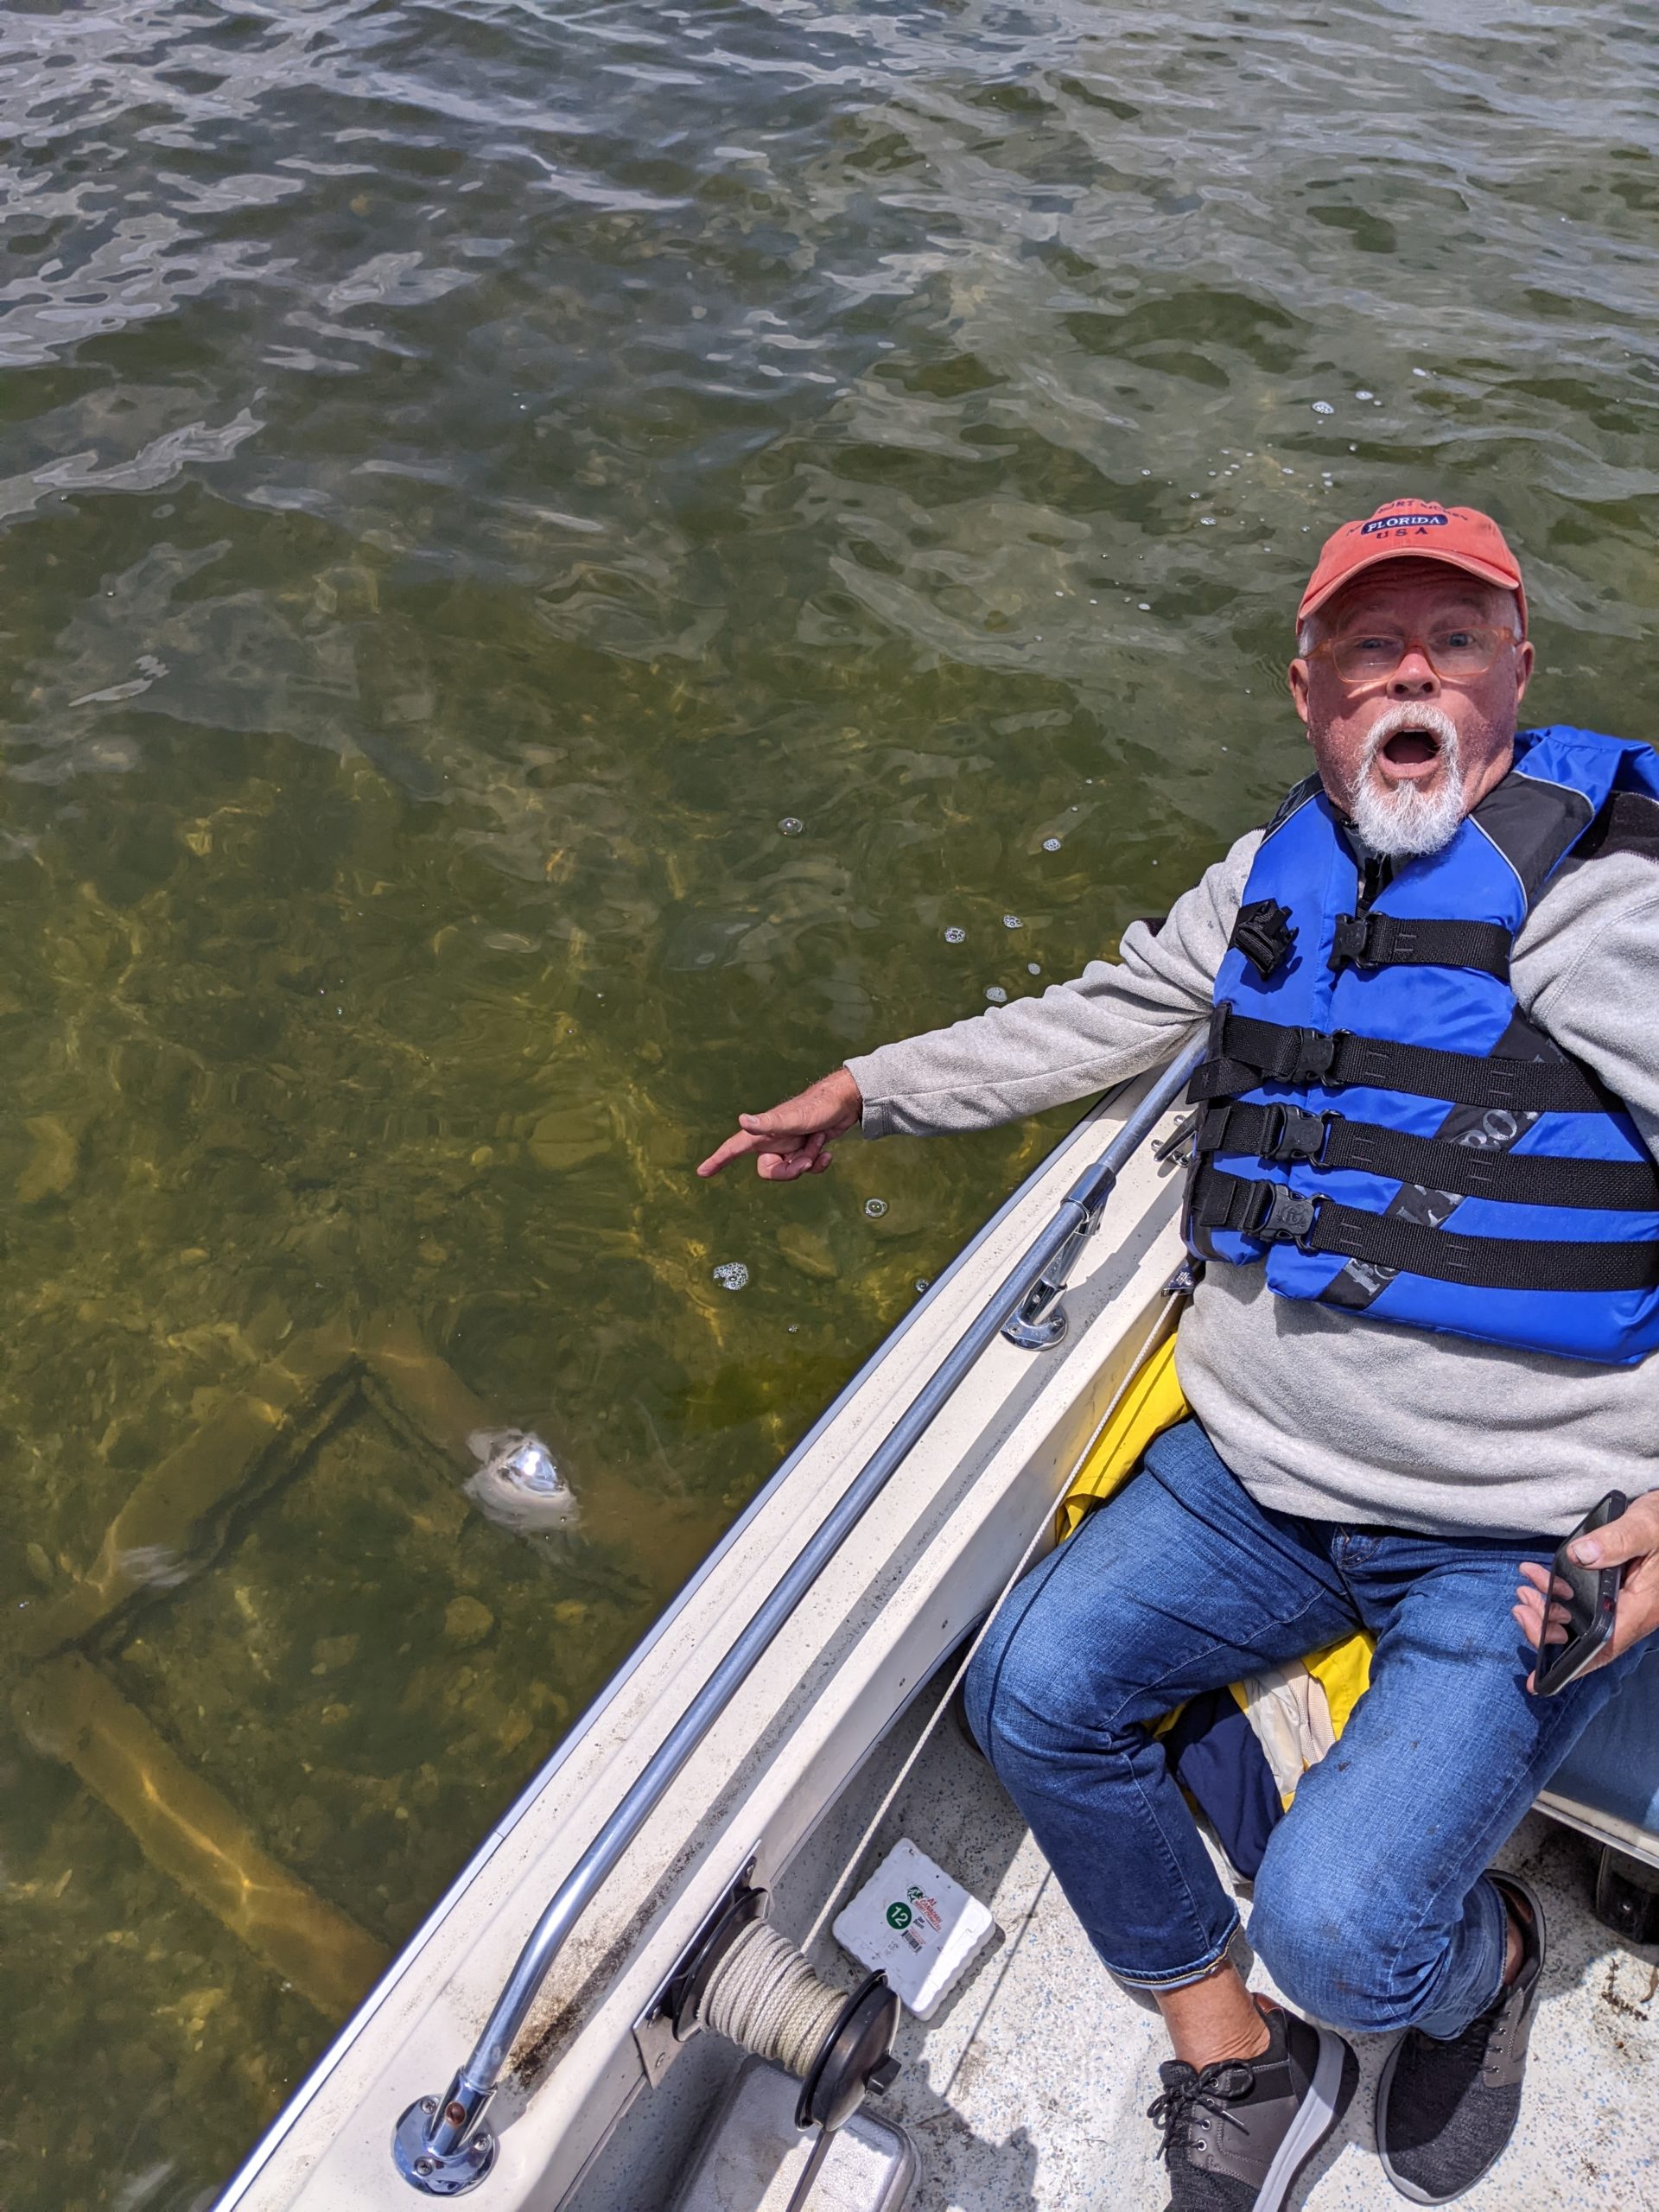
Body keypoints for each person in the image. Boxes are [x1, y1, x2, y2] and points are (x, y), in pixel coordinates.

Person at [699, 498, 1659, 2211]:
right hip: (1261, 1475)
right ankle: (1233, 2056)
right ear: (1310, 691)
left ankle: (1482, 1956)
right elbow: (1099, 1011)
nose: (1414, 671)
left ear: (1520, 666)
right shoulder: (1272, 868)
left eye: (1456, 635)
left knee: (1346, 1927)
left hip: (1514, 1526)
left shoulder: (1604, 893)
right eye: (1373, 644)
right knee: (1029, 1684)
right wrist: (872, 1085)